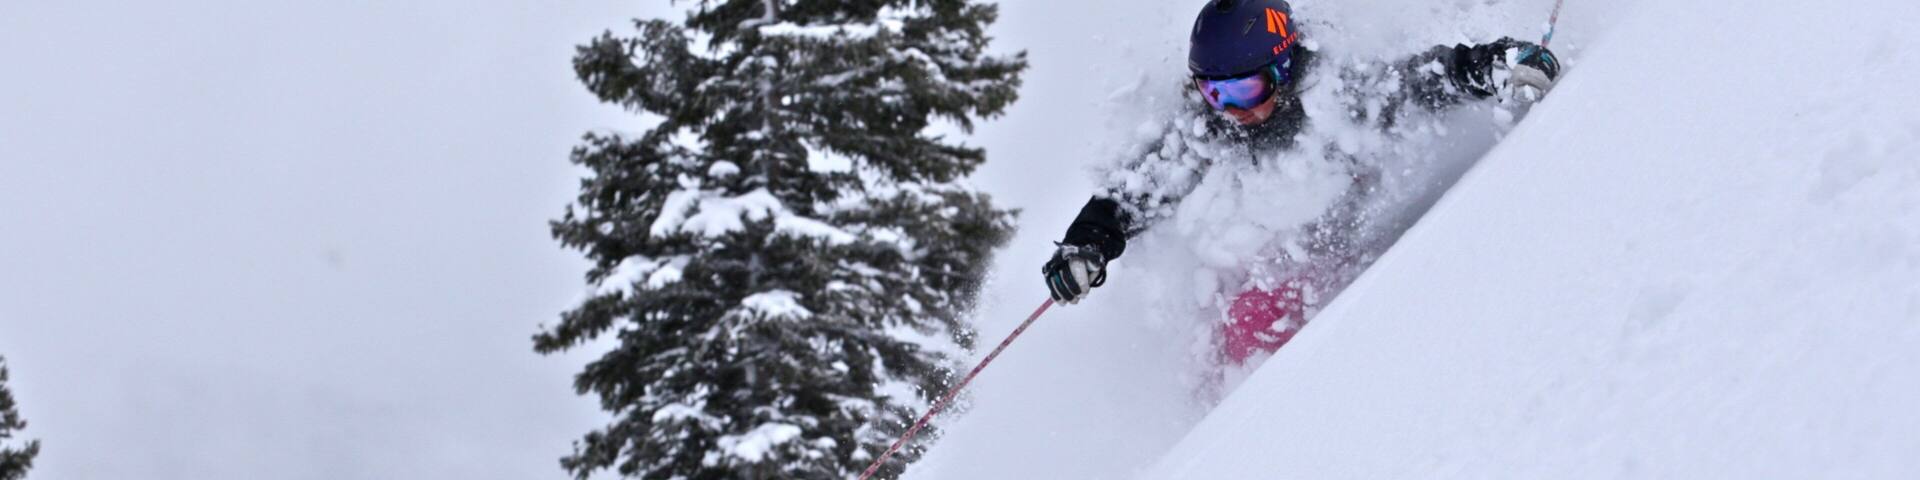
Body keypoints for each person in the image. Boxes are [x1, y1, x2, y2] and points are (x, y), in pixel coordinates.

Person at [1040, 0, 1561, 367]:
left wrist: (1496, 64)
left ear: (1284, 68)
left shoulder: (1334, 96)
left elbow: (1424, 79)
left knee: (1255, 320)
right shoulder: (1210, 126)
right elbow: (1138, 190)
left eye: (1244, 89)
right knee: (1220, 335)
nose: (1231, 111)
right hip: (1298, 256)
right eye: (1213, 93)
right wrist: (1086, 244)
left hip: (1363, 242)